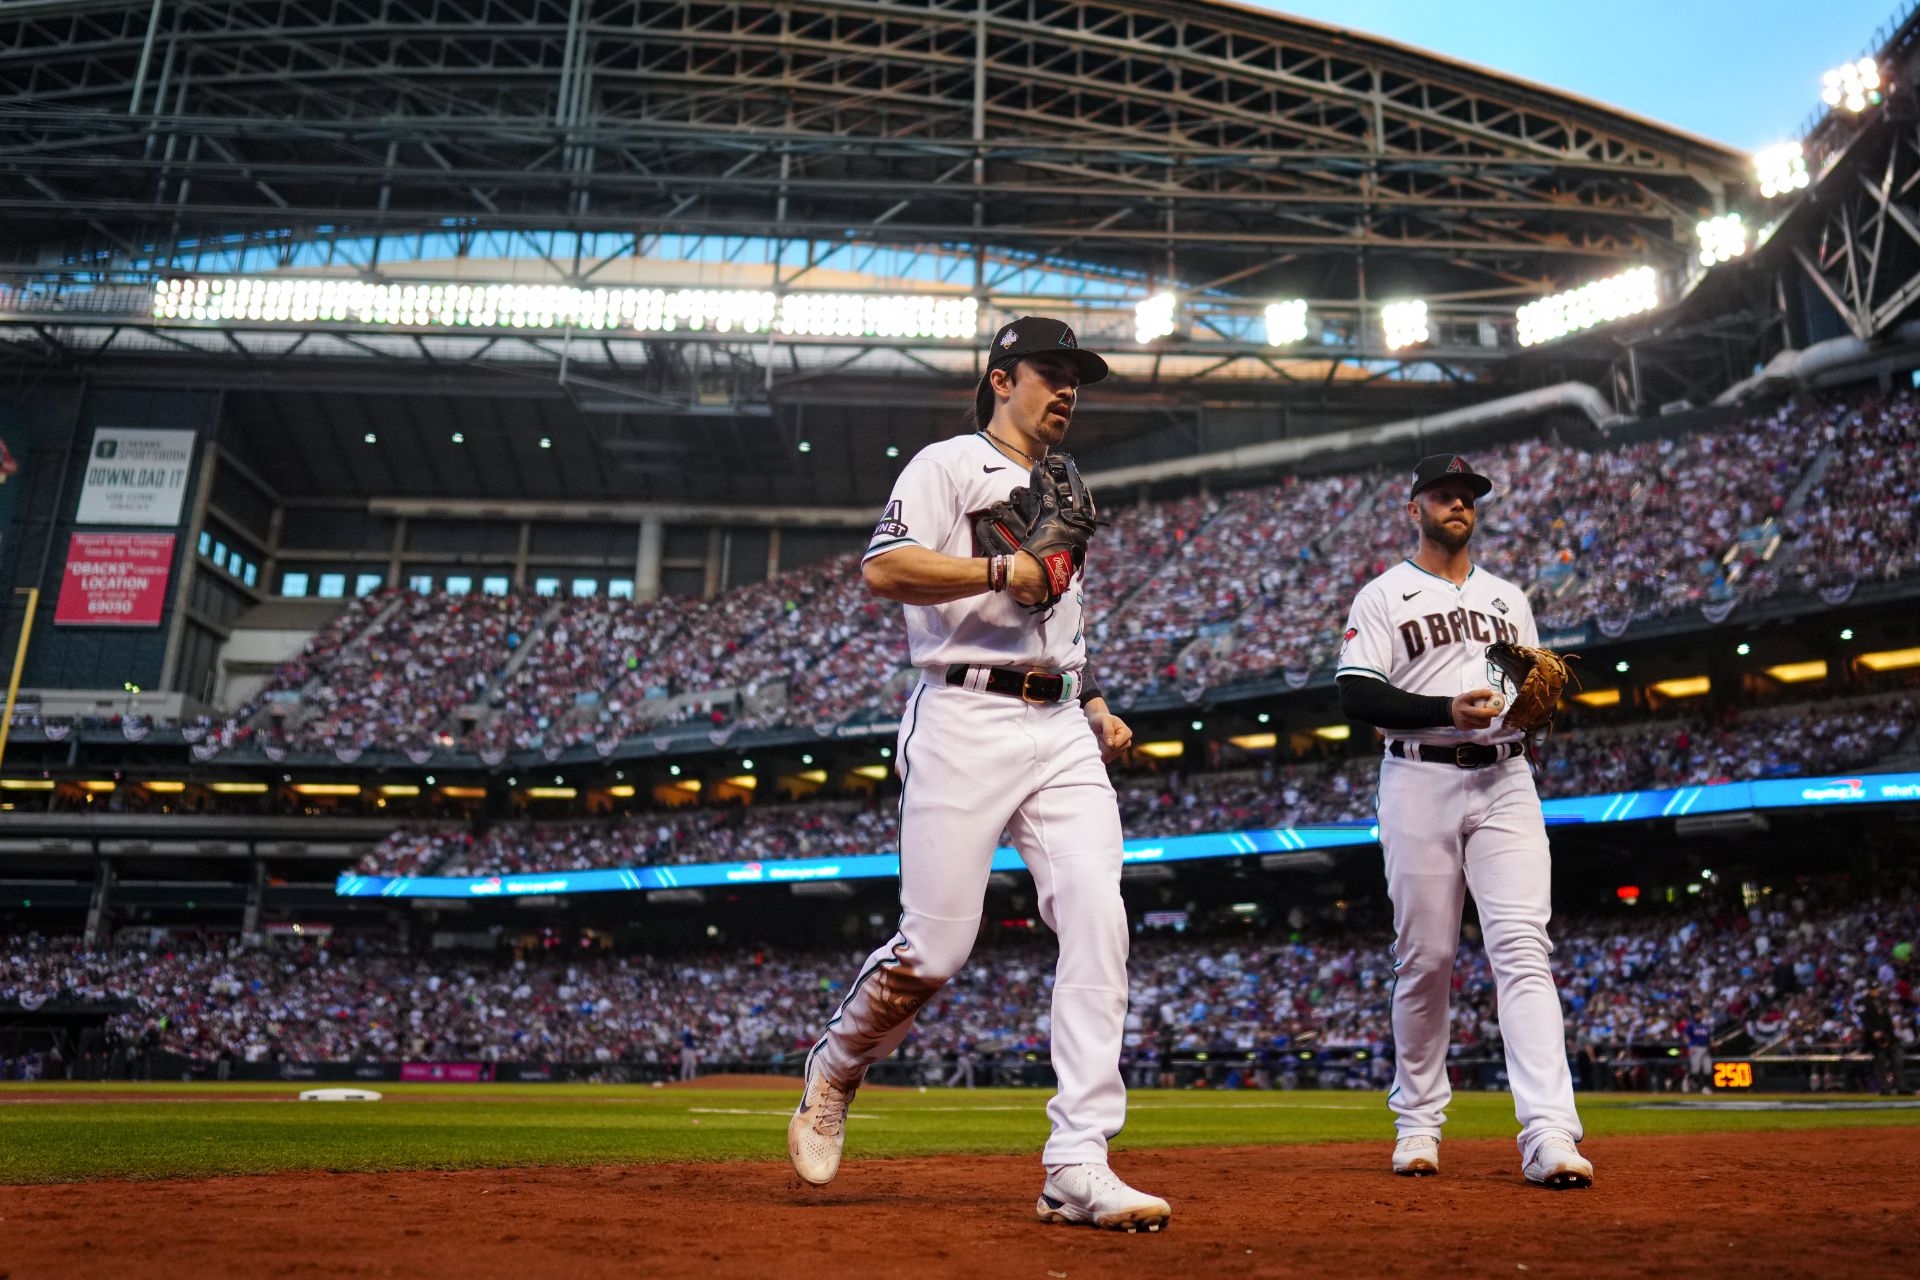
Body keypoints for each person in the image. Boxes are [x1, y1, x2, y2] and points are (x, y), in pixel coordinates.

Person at [787, 316, 1171, 1233]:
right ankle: (837, 1067)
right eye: (1051, 371)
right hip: (959, 716)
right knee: (937, 950)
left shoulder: (1065, 485)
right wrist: (1003, 567)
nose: (1068, 387)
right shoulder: (947, 463)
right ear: (1003, 377)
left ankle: (1078, 1161)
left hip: (1059, 727)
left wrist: (1093, 701)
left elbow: (1060, 624)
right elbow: (885, 569)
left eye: (1077, 375)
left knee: (1096, 912)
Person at [1334, 453, 1593, 1190]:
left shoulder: (1510, 597)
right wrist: (1443, 710)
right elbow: (1357, 696)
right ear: (1412, 508)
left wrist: (1531, 710)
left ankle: (1549, 1133)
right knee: (1427, 958)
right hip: (1418, 776)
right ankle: (1418, 1122)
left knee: (1523, 948)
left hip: (1507, 776)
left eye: (1467, 497)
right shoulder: (1383, 595)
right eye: (1444, 496)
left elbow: (1527, 686)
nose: (1459, 506)